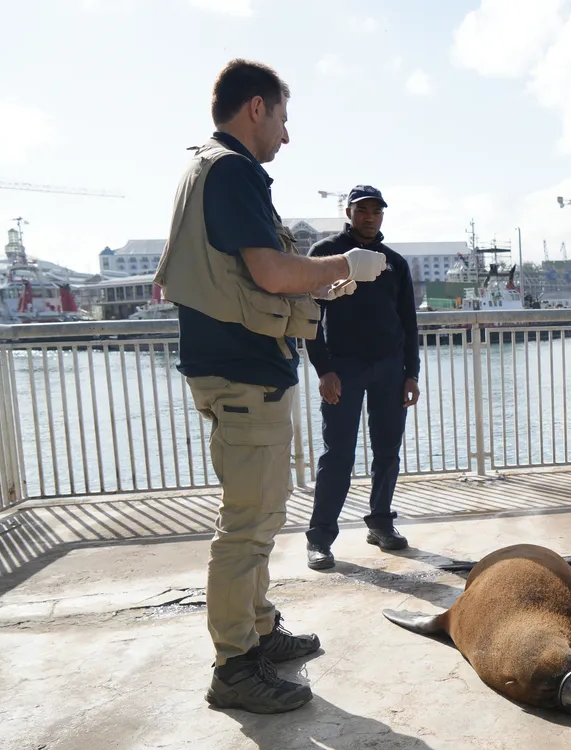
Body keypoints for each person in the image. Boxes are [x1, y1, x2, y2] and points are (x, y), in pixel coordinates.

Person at [154, 59, 388, 715]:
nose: (285, 136)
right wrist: (349, 264)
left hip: (238, 369)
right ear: (255, 108)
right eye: (282, 118)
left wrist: (326, 280)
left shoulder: (207, 168)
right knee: (248, 528)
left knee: (259, 513)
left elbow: (254, 274)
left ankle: (257, 630)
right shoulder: (231, 171)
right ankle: (234, 667)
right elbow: (270, 271)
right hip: (242, 372)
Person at [305, 185, 420, 570]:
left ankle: (381, 524)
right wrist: (324, 370)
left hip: (389, 368)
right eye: (363, 210)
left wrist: (411, 374)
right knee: (338, 454)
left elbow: (409, 322)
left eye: (376, 211)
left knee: (387, 451)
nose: (370, 217)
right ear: (349, 212)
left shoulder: (395, 263)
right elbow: (309, 318)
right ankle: (320, 539)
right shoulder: (325, 254)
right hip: (344, 367)